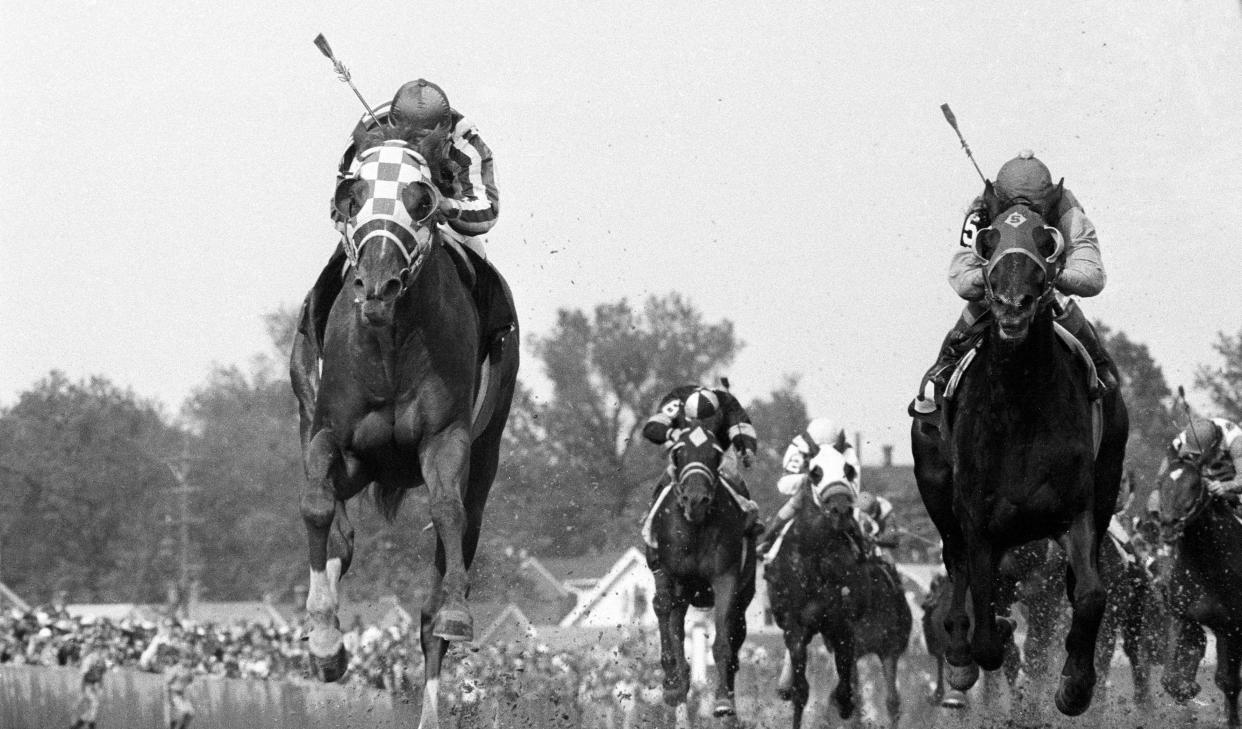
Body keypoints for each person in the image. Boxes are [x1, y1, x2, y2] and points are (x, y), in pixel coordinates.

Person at [310, 78, 514, 361]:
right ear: (392, 126)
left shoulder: (467, 142)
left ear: (444, 133)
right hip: (381, 219)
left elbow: (488, 209)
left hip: (444, 220)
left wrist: (446, 206)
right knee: (337, 267)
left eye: (426, 140)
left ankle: (496, 344)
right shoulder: (368, 130)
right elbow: (341, 204)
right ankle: (312, 338)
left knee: (481, 266)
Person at [912, 151, 1116, 415]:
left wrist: (1051, 276)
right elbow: (962, 279)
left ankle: (1100, 374)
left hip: (1046, 293)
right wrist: (995, 279)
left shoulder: (1068, 210)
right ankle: (943, 370)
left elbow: (1092, 277)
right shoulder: (982, 210)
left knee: (1073, 319)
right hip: (995, 294)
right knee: (975, 310)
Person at [639, 385, 760, 570]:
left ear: (717, 415)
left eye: (707, 423)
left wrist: (746, 449)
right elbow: (651, 428)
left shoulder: (727, 404)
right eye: (695, 422)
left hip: (719, 450)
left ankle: (749, 519)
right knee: (667, 479)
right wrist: (670, 432)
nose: (701, 428)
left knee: (734, 476)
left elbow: (742, 430)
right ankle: (652, 517)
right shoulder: (676, 400)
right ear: (686, 415)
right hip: (687, 451)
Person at [756, 418, 860, 555]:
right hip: (808, 493)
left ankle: (863, 552)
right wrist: (807, 478)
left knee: (854, 520)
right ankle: (768, 543)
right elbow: (784, 485)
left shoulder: (846, 450)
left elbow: (855, 486)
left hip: (837, 495)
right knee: (789, 509)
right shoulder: (799, 448)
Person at [1171, 417, 1242, 499]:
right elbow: (1164, 475)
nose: (1195, 457)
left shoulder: (1237, 444)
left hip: (1231, 466)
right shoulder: (1184, 438)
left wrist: (1226, 486)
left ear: (1213, 444)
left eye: (1197, 454)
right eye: (1193, 453)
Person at [69, 639, 107, 729]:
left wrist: (100, 688)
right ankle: (89, 724)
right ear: (95, 648)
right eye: (98, 647)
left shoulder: (102, 660)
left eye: (102, 647)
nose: (100, 649)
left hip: (94, 685)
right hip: (86, 685)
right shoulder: (89, 659)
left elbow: (101, 675)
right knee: (94, 704)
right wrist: (80, 689)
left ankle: (78, 724)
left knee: (94, 706)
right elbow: (83, 674)